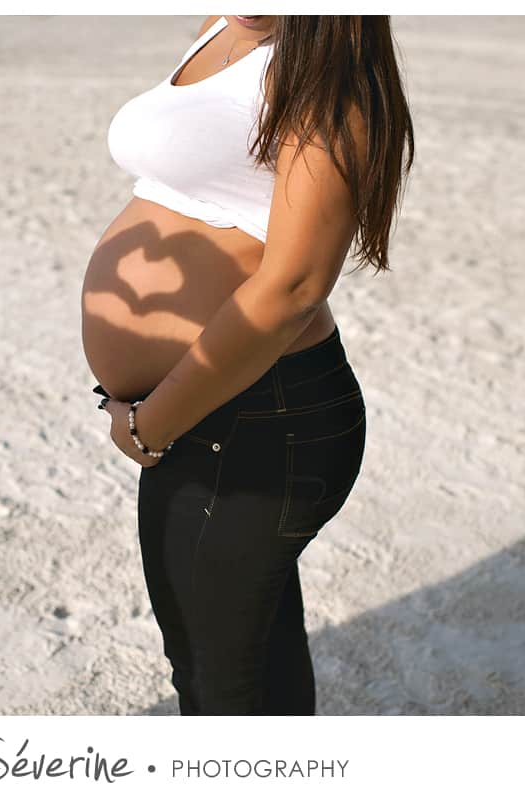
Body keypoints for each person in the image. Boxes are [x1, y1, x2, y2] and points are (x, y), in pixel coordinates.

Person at [81, 15, 415, 715]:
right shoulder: (222, 30)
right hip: (206, 409)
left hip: (261, 417)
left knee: (217, 680)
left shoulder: (332, 83)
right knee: (250, 653)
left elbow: (293, 286)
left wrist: (149, 425)